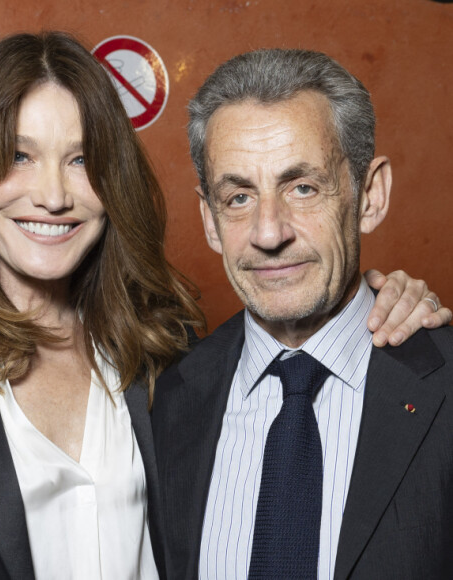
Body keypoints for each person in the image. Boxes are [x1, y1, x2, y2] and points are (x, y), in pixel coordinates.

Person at [0, 33, 446, 580]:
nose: (52, 195)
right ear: (210, 218)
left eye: (80, 159)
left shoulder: (161, 354)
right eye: (18, 155)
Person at [152, 48, 453, 580]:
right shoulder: (165, 403)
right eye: (239, 197)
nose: (269, 233)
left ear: (370, 196)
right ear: (209, 219)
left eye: (303, 187)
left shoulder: (440, 385)